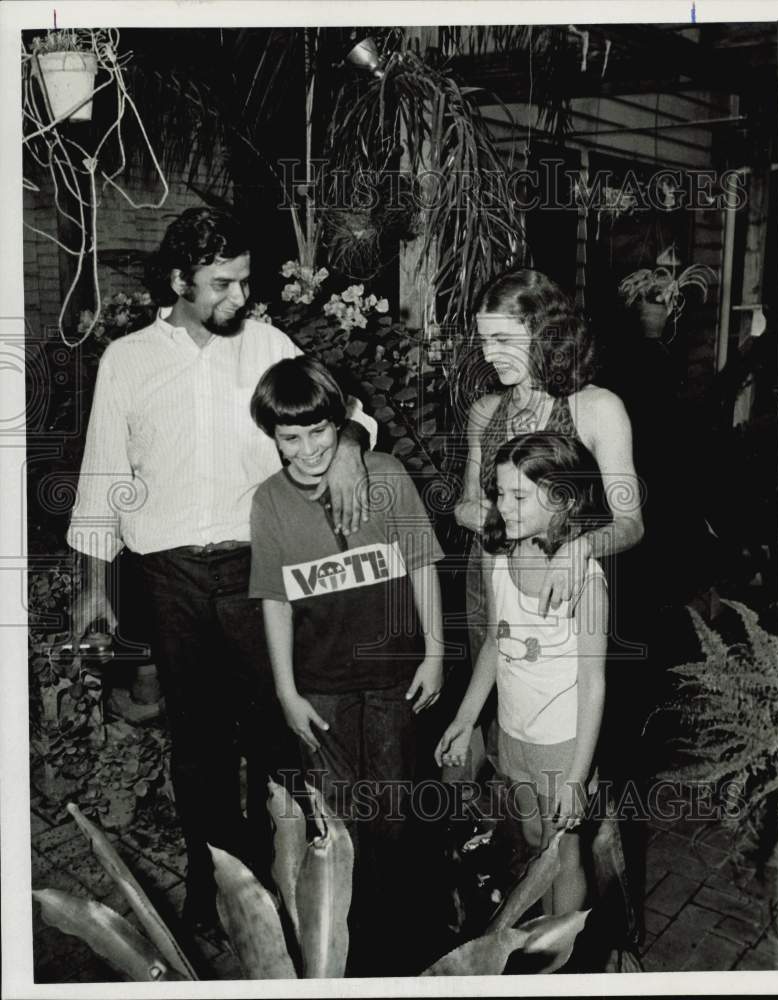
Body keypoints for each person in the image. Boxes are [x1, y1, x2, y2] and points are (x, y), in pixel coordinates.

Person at [66, 207, 376, 930]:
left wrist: (354, 443)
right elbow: (102, 474)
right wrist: (91, 588)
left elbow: (343, 412)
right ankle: (216, 890)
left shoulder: (267, 343)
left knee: (279, 733)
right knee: (199, 746)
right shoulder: (129, 360)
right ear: (179, 280)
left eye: (244, 282)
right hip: (168, 576)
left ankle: (290, 877)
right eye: (222, 284)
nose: (240, 298)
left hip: (255, 567)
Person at [248, 355, 444, 974]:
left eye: (320, 431)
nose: (307, 450)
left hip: (393, 679)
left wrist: (436, 651)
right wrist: (286, 691)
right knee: (339, 825)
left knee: (393, 815)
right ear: (273, 437)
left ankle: (401, 948)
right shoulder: (270, 501)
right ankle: (349, 956)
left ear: (341, 423)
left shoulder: (383, 474)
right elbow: (275, 599)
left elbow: (423, 564)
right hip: (322, 689)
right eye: (290, 437)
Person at [437, 431, 611, 916]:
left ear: (561, 500)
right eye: (498, 492)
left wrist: (578, 776)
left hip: (561, 744)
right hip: (514, 731)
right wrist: (465, 718)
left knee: (564, 850)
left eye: (517, 496)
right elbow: (495, 642)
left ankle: (563, 951)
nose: (501, 506)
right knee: (535, 836)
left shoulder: (586, 583)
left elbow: (594, 683)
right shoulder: (498, 554)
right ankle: (540, 937)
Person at [455, 268, 643, 622]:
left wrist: (581, 547)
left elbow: (631, 523)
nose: (489, 355)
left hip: (565, 591)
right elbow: (468, 501)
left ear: (544, 333)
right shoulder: (484, 412)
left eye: (503, 340)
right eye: (483, 341)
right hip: (491, 589)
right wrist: (467, 512)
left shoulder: (597, 409)